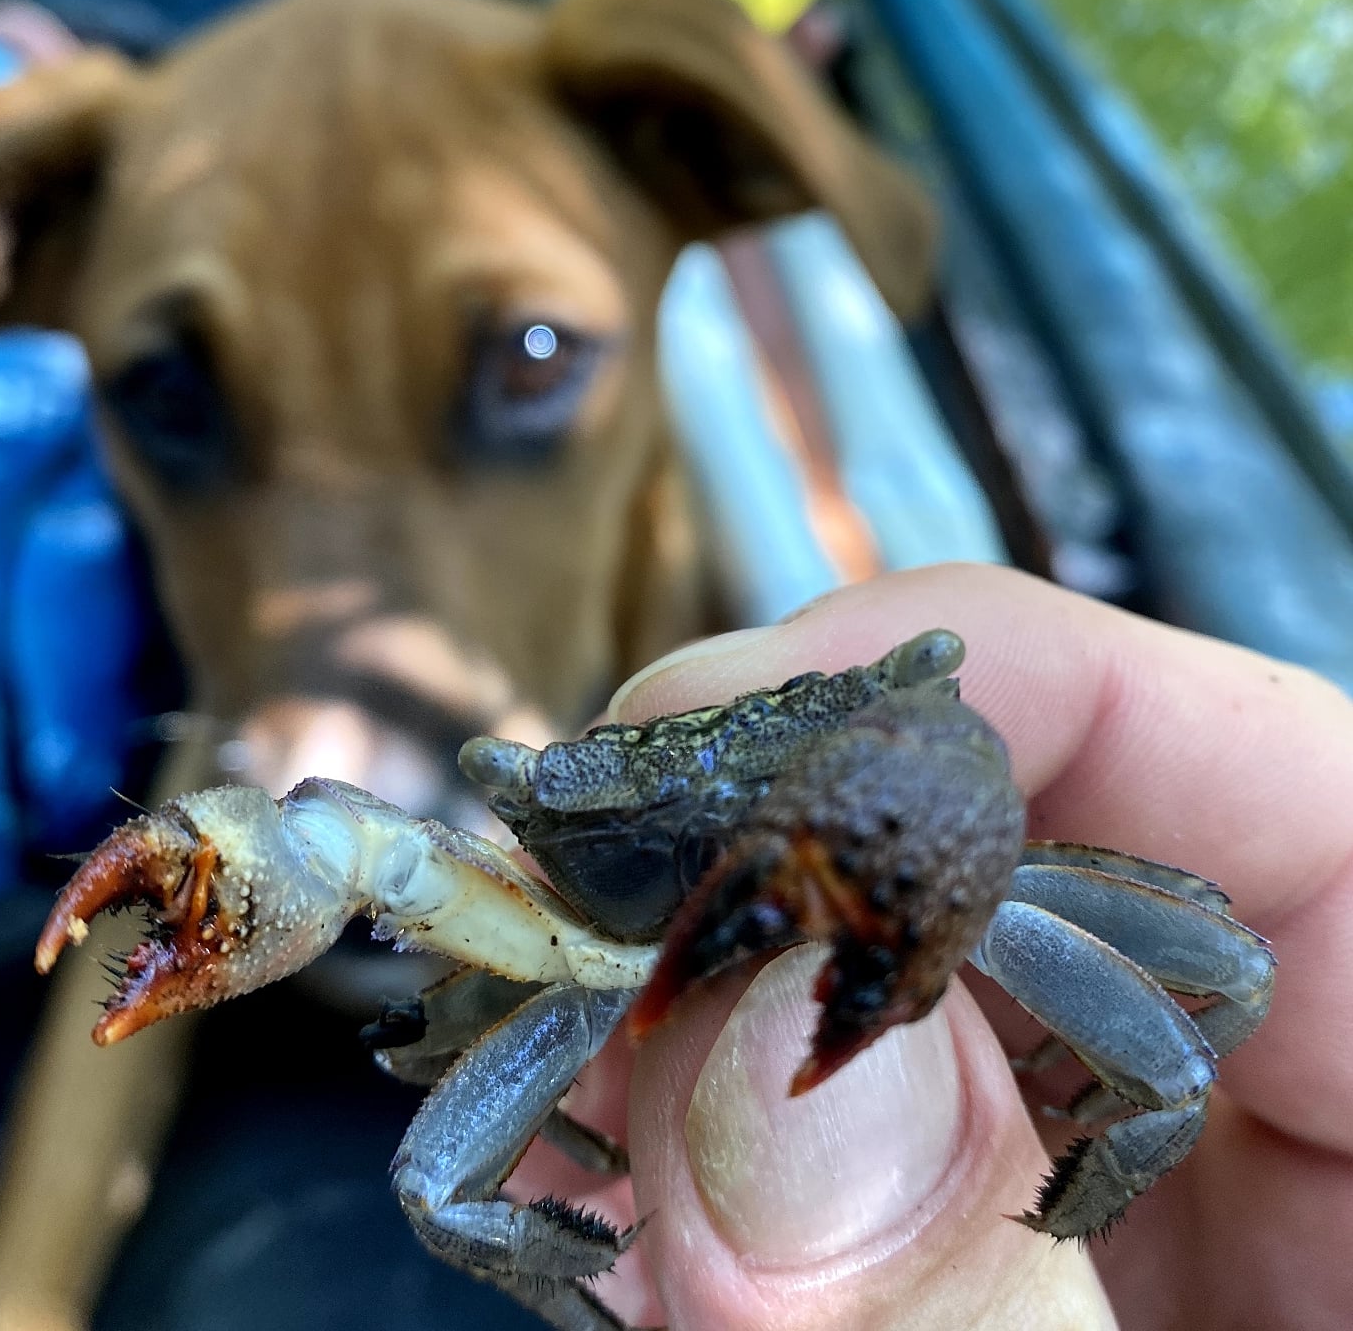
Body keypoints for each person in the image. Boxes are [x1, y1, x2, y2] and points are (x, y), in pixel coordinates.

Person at [514, 563, 1353, 1330]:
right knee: (444, 1189)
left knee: (1220, 996)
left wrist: (1017, 1268)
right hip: (592, 948)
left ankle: (1044, 1238)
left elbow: (1230, 993)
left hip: (909, 889)